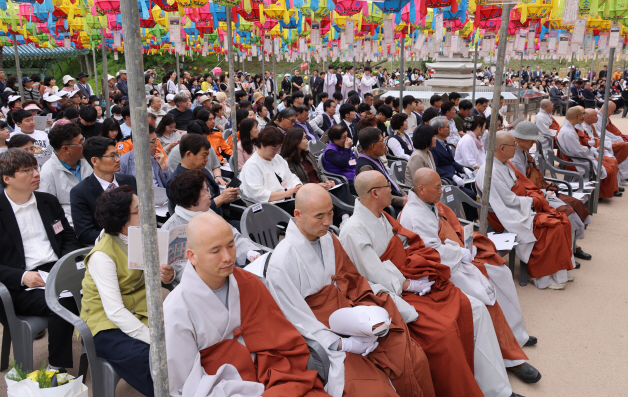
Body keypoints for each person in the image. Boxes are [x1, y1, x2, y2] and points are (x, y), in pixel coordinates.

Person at [340, 171, 522, 397]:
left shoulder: (382, 216)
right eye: (388, 186)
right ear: (375, 193)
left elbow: (406, 248)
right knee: (444, 333)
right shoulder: (353, 230)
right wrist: (409, 284)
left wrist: (418, 269)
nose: (394, 190)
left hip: (410, 279)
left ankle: (497, 389)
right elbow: (371, 274)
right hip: (391, 293)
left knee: (474, 307)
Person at [266, 184, 435, 397]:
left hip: (350, 311)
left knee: (413, 357)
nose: (328, 222)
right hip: (322, 331)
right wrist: (341, 343)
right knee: (375, 390)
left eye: (330, 213)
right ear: (297, 215)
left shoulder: (328, 238)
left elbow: (350, 279)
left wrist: (366, 313)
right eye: (319, 216)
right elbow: (295, 317)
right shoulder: (281, 262)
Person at [163, 212, 328, 397]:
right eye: (216, 251)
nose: (227, 257)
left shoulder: (248, 282)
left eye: (231, 246)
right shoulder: (176, 309)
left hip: (274, 373)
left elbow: (280, 335)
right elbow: (186, 384)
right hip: (224, 389)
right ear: (192, 256)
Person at [401, 168, 540, 382]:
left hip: (452, 257)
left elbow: (443, 234)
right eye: (437, 187)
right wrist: (460, 252)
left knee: (501, 272)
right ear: (421, 189)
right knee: (485, 294)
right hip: (438, 270)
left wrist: (462, 247)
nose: (441, 191)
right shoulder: (414, 213)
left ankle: (515, 335)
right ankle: (510, 359)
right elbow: (430, 251)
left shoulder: (427, 204)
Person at [0, 149, 83, 371]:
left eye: (36, 168)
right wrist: (22, 277)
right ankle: (56, 368)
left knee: (101, 284)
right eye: (27, 170)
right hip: (21, 284)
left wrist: (63, 265)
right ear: (7, 179)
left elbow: (68, 237)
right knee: (63, 301)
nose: (36, 174)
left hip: (57, 268)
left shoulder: (47, 202)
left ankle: (104, 351)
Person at [80, 186, 175, 397]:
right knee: (151, 358)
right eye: (140, 209)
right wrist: (154, 338)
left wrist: (166, 276)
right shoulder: (102, 255)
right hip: (105, 322)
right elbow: (114, 311)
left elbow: (148, 277)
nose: (148, 212)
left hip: (138, 309)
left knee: (182, 336)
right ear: (123, 220)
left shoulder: (140, 237)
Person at [477, 131, 575, 290]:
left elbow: (518, 187)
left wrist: (534, 196)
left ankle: (559, 271)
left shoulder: (503, 163)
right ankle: (542, 277)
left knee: (563, 221)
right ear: (502, 148)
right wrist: (533, 200)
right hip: (507, 215)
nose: (515, 148)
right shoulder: (491, 171)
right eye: (513, 145)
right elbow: (508, 201)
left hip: (519, 207)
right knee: (552, 227)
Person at [510, 121, 592, 262]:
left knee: (575, 204)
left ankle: (573, 246)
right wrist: (541, 193)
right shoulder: (514, 158)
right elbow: (522, 185)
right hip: (530, 197)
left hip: (538, 191)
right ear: (520, 139)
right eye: (531, 140)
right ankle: (569, 250)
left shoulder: (522, 152)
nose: (533, 143)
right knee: (568, 211)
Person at [163, 169, 265, 268]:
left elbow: (233, 237)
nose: (210, 195)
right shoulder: (171, 231)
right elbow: (177, 269)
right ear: (192, 200)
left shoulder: (209, 213)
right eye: (206, 191)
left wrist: (249, 252)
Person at [70, 137, 137, 245]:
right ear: (95, 161)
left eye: (117, 154)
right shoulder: (80, 192)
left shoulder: (128, 180)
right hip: (108, 245)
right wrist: (121, 237)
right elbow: (85, 233)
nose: (118, 159)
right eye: (112, 156)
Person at [557, 107, 622, 199]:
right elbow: (577, 151)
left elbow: (579, 145)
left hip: (581, 156)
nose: (583, 116)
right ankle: (599, 194)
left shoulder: (570, 128)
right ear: (577, 116)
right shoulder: (568, 132)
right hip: (576, 160)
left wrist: (590, 146)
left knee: (610, 165)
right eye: (581, 115)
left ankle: (601, 192)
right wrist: (590, 150)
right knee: (607, 168)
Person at [167, 134, 239, 218]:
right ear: (189, 154)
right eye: (204, 155)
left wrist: (226, 195)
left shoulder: (202, 170)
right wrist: (221, 199)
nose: (207, 159)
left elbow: (214, 196)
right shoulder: (176, 182)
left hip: (220, 217)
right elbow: (191, 213)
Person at [39, 123, 92, 226]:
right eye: (81, 142)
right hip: (72, 226)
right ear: (66, 149)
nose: (85, 145)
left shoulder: (88, 162)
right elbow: (49, 210)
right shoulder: (48, 173)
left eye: (83, 140)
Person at [240, 125, 302, 204]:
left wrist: (297, 186)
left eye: (279, 147)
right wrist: (285, 194)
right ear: (262, 144)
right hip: (270, 207)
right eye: (273, 147)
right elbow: (257, 194)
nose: (276, 151)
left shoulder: (278, 158)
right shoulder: (253, 165)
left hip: (288, 199)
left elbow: (290, 177)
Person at [356, 127, 407, 215]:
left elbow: (390, 180)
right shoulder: (366, 168)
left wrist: (404, 195)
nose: (384, 144)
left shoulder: (375, 158)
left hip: (396, 200)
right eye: (382, 141)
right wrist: (402, 200)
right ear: (373, 146)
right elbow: (377, 196)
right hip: (388, 209)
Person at [583, 107, 628, 184]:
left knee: (626, 149)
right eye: (595, 116)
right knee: (624, 149)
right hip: (594, 151)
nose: (597, 117)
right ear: (588, 117)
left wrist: (611, 141)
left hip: (601, 147)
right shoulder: (583, 127)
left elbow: (598, 135)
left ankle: (621, 178)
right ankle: (621, 179)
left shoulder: (590, 125)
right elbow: (590, 142)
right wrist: (608, 144)